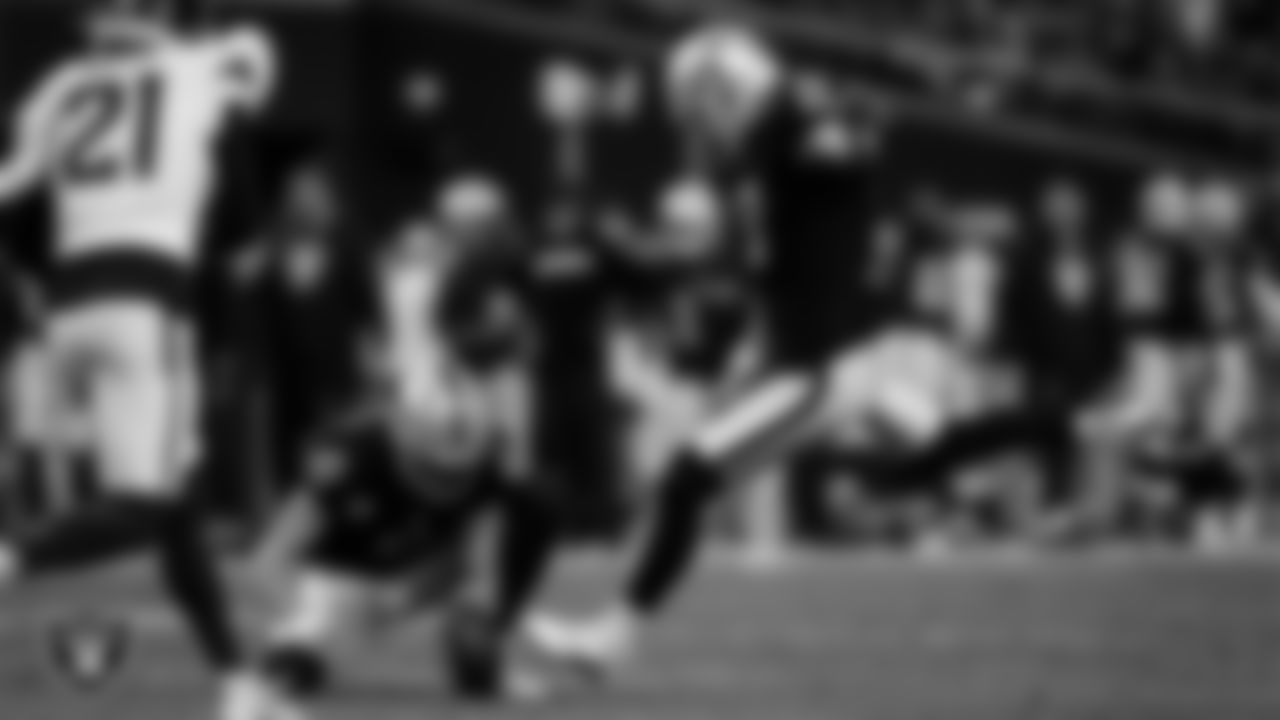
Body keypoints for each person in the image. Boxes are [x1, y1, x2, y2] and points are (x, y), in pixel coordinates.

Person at [527, 24, 901, 670]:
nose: (698, 127)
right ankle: (614, 635)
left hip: (817, 370)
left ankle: (614, 637)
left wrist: (826, 115)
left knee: (685, 480)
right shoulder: (764, 155)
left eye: (701, 107)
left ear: (729, 92)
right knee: (687, 484)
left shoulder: (799, 132)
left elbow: (856, 137)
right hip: (801, 359)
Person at [0, 1, 279, 718]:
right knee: (147, 503)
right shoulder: (205, 69)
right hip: (147, 304)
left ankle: (239, 682)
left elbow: (18, 208)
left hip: (69, 308)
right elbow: (243, 220)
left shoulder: (60, 88)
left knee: (176, 504)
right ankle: (12, 555)